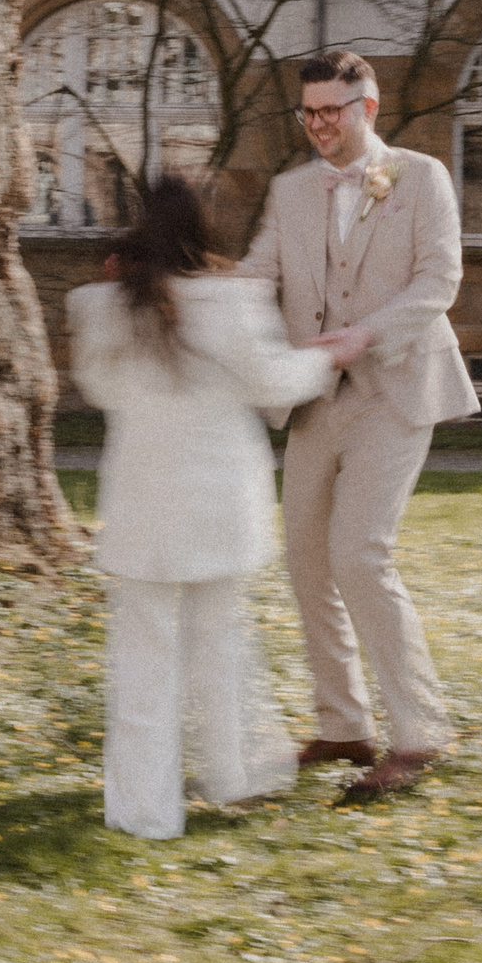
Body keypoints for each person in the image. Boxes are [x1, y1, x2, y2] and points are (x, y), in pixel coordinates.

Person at [67, 174, 360, 840]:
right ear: (206, 231)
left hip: (144, 505)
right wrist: (327, 356)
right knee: (222, 646)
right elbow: (274, 381)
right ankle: (235, 773)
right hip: (221, 504)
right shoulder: (234, 303)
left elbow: (98, 386)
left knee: (142, 663)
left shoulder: (105, 308)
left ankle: (144, 810)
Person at [236, 49, 477, 797]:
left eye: (330, 112)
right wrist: (188, 293)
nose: (317, 126)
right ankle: (343, 724)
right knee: (307, 559)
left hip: (396, 390)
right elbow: (257, 272)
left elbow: (440, 278)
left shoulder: (420, 176)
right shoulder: (290, 190)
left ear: (367, 108)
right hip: (315, 399)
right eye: (307, 112)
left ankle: (421, 732)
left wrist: (360, 335)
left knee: (359, 554)